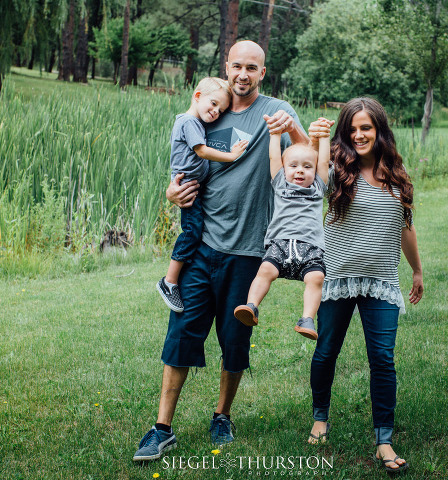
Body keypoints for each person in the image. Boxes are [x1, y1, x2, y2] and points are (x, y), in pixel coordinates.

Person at [133, 40, 309, 462]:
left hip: (249, 253)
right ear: (225, 67)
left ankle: (222, 416)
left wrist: (295, 131)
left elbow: (312, 163)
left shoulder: (277, 113)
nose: (243, 74)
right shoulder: (207, 110)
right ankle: (161, 428)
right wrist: (171, 191)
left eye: (252, 67)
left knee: (235, 340)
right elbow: (182, 169)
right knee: (180, 336)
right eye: (236, 66)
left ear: (262, 72)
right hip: (202, 249)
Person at [306, 98, 424, 475]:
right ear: (344, 131)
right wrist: (309, 137)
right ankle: (320, 418)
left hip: (382, 283)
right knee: (326, 352)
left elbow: (405, 227)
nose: (359, 135)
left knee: (383, 360)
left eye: (366, 128)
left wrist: (417, 272)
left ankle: (383, 440)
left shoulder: (396, 173)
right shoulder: (336, 169)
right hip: (337, 277)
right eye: (352, 128)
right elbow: (302, 165)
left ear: (379, 131)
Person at [156, 77, 249, 313]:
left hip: (192, 186)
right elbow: (201, 150)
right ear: (197, 96)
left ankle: (174, 279)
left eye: (221, 109)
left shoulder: (195, 122)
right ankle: (169, 281)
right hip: (187, 188)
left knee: (194, 230)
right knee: (191, 232)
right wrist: (232, 155)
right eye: (214, 104)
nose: (216, 112)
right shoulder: (189, 122)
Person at [233, 128, 330, 340]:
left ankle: (307, 319)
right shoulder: (280, 185)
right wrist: (275, 134)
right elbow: (273, 156)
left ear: (315, 171)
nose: (299, 171)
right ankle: (251, 306)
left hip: (310, 247)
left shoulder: (318, 189)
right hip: (280, 244)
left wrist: (324, 138)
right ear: (284, 169)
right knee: (266, 270)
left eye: (307, 167)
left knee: (317, 277)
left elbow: (324, 163)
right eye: (293, 166)